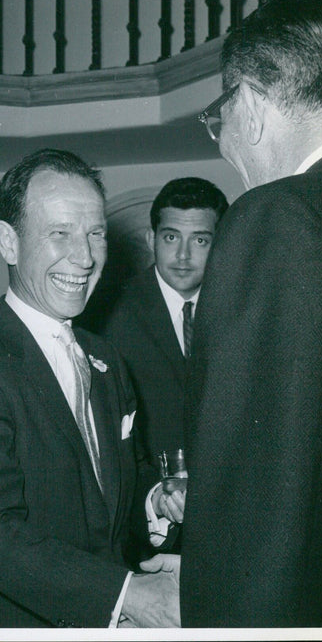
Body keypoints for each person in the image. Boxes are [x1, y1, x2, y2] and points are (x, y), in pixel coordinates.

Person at [0, 148, 180, 628]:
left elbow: (115, 486)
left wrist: (156, 499)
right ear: (8, 242)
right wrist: (129, 595)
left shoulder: (106, 360)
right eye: (60, 233)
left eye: (95, 234)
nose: (84, 258)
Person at [182, 0, 322, 626]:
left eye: (218, 120)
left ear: (250, 105)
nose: (225, 143)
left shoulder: (277, 217)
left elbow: (260, 504)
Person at [105, 178, 227, 472]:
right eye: (171, 238)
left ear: (221, 244)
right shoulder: (110, 317)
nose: (183, 256)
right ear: (151, 240)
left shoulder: (242, 311)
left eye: (200, 240)